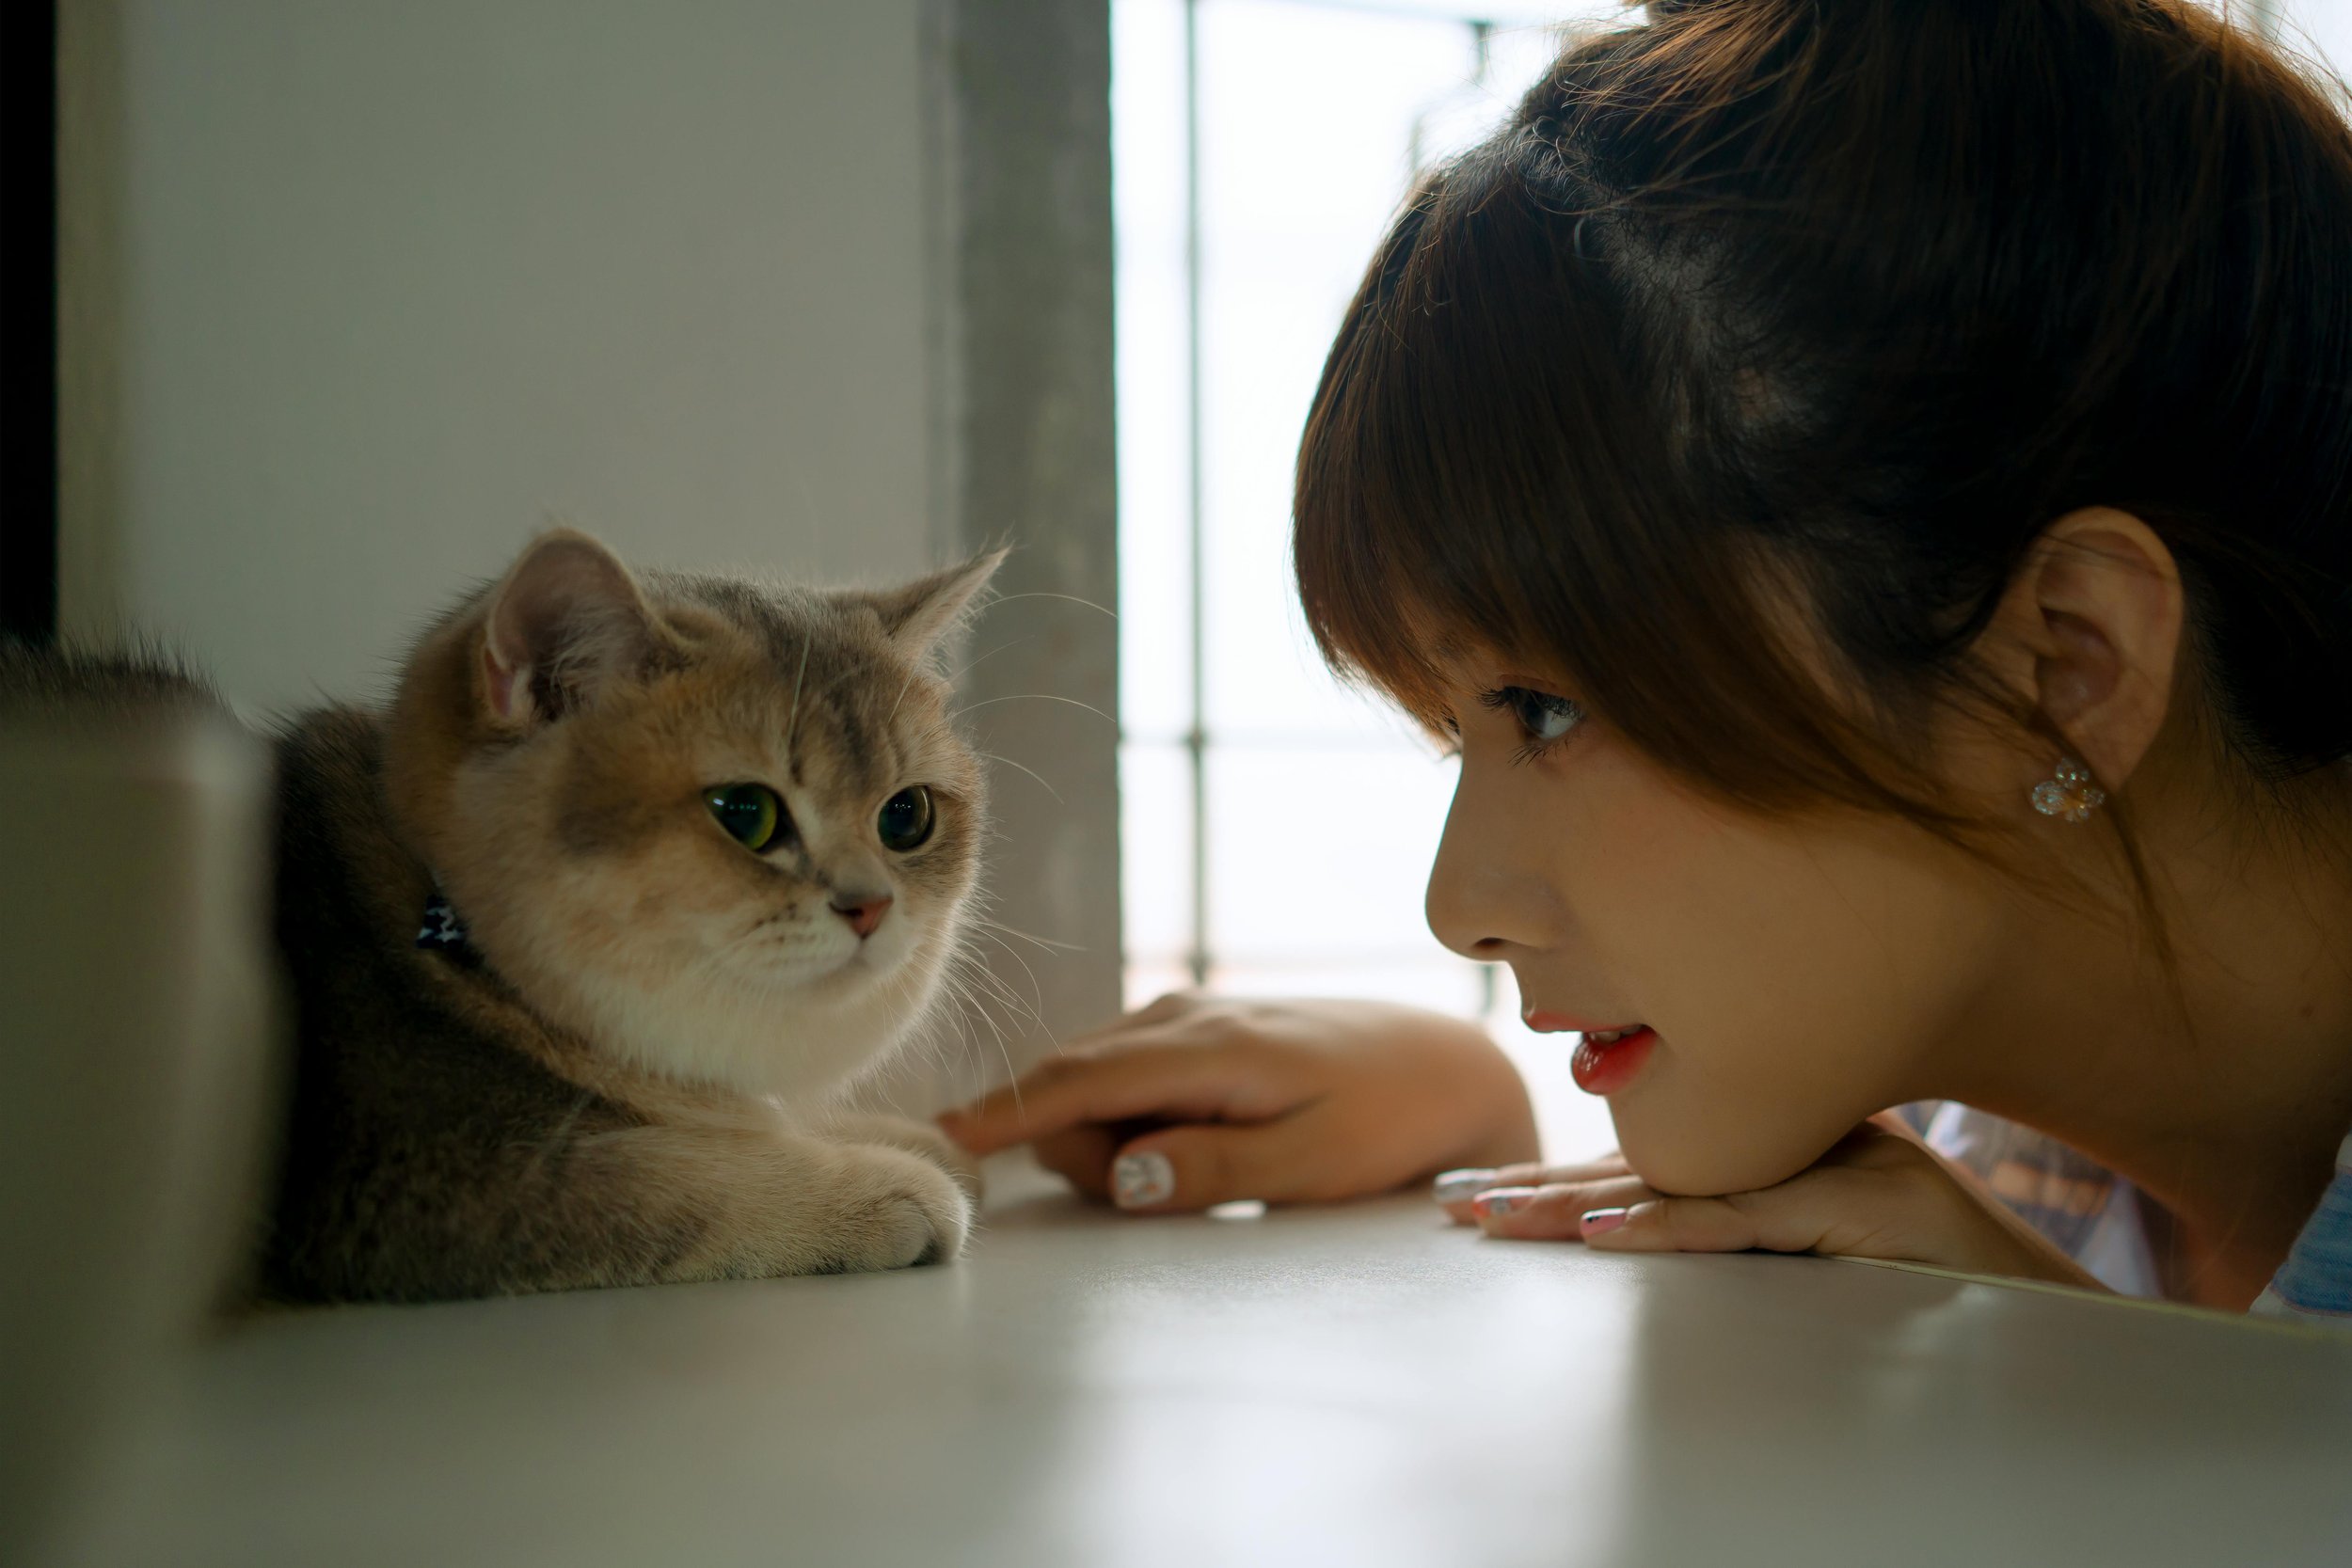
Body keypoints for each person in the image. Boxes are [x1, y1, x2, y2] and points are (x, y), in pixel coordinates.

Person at [942, 0, 2352, 1324]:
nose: (1459, 910)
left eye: (1547, 708)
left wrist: (2091, 1381)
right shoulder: (1978, 1143)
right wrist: (1479, 1127)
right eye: (1457, 732)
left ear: (2068, 667)